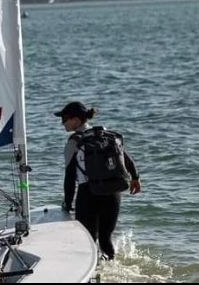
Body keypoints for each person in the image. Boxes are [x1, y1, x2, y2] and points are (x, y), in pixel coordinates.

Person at [55, 101, 141, 261]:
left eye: (65, 118)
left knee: (87, 240)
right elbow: (126, 158)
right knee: (105, 238)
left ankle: (91, 273)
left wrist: (67, 204)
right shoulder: (107, 135)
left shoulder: (74, 142)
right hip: (113, 192)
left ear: (77, 120)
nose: (62, 123)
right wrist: (135, 178)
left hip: (88, 194)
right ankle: (112, 270)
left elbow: (70, 177)